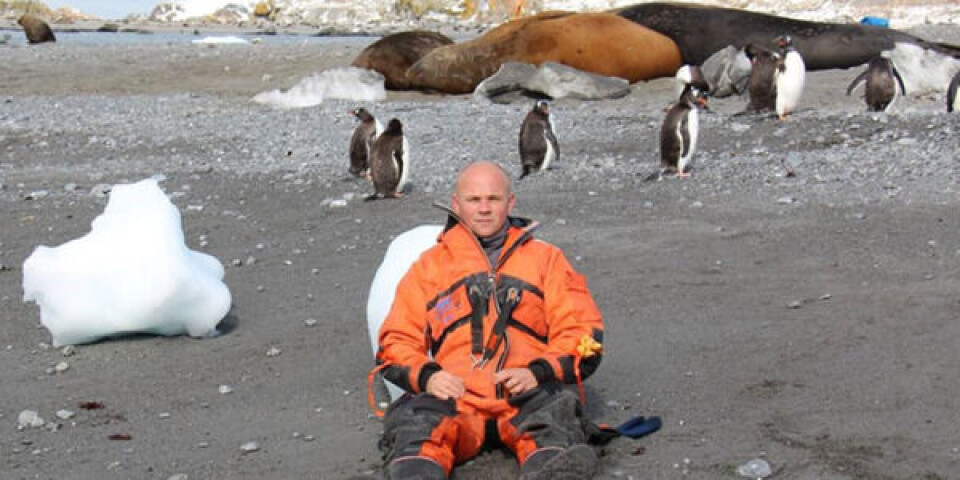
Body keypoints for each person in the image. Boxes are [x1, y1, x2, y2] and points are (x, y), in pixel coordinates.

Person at [374, 161, 605, 479]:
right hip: (456, 400)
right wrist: (428, 378)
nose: (484, 209)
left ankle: (551, 467)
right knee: (415, 424)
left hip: (526, 396)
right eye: (474, 200)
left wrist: (537, 372)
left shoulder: (546, 260)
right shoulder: (429, 267)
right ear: (456, 204)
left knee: (556, 418)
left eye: (493, 199)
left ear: (509, 203)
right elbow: (396, 340)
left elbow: (583, 333)